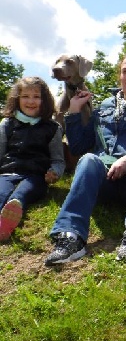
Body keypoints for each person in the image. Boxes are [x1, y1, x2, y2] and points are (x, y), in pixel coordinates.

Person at [44, 52, 126, 265]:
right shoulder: (104, 106)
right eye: (125, 71)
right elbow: (80, 146)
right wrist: (74, 113)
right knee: (88, 159)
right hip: (104, 182)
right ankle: (70, 238)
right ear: (120, 77)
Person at [0, 77, 64, 240]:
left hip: (35, 176)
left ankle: (10, 216)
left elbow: (58, 160)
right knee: (1, 192)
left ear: (45, 100)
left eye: (36, 96)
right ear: (17, 99)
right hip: (8, 174)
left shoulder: (53, 128)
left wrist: (54, 172)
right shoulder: (7, 124)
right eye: (25, 96)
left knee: (22, 193)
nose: (31, 101)